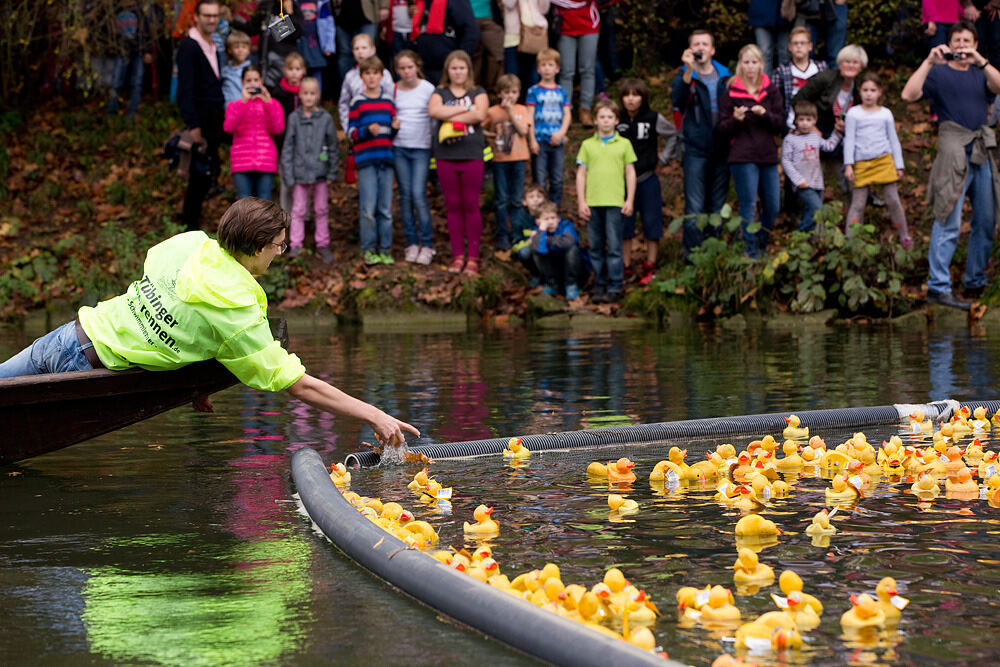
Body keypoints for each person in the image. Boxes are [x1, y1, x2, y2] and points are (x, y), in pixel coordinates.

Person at [0, 198, 419, 446]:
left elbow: (182, 319)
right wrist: (373, 414)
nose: (281, 251)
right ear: (255, 248)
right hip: (81, 377)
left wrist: (196, 382)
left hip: (68, 335)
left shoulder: (190, 244)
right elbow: (298, 383)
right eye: (278, 245)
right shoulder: (236, 307)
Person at [901, 19, 1000, 309]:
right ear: (948, 44)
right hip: (953, 150)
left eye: (966, 41)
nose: (961, 46)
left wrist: (981, 61)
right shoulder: (939, 73)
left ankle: (974, 281)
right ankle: (938, 286)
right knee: (948, 217)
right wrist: (928, 62)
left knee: (985, 220)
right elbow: (908, 95)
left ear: (975, 44)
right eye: (957, 41)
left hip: (981, 150)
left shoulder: (982, 72)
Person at [718, 44, 784, 258]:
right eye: (746, 62)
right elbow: (721, 128)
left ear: (761, 65)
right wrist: (736, 120)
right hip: (742, 156)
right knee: (748, 206)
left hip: (767, 155)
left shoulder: (771, 91)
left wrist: (765, 114)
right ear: (740, 65)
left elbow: (781, 124)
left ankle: (762, 244)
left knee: (773, 205)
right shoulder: (730, 92)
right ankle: (750, 253)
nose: (750, 67)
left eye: (754, 62)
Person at [670, 29, 731, 257]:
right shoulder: (686, 75)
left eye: (705, 44)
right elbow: (677, 100)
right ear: (690, 49)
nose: (701, 48)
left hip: (723, 148)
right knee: (694, 207)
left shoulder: (726, 76)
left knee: (717, 205)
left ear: (712, 50)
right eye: (696, 44)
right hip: (695, 148)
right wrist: (687, 71)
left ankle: (714, 256)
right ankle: (693, 258)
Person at [429, 50, 489, 276]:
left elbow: (480, 115)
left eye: (462, 68)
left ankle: (473, 257)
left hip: (472, 153)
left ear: (468, 70)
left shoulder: (478, 91)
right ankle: (457, 255)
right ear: (448, 70)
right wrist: (466, 109)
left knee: (471, 204)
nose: (458, 72)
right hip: (446, 155)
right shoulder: (440, 92)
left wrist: (449, 115)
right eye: (454, 68)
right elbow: (434, 110)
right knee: (453, 204)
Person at [575, 98, 636, 303]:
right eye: (602, 117)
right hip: (593, 202)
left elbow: (630, 172)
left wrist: (630, 199)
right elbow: (581, 174)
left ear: (617, 120)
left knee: (614, 246)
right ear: (595, 121)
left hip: (615, 202)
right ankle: (599, 285)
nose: (606, 121)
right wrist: (581, 201)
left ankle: (615, 285)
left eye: (610, 117)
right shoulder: (587, 145)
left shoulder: (624, 144)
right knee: (595, 245)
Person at [842, 72, 912, 247]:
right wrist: (848, 164)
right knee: (858, 203)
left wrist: (899, 164)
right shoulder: (853, 113)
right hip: (861, 163)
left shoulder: (885, 114)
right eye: (865, 90)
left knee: (893, 200)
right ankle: (851, 242)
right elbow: (849, 140)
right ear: (859, 91)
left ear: (879, 92)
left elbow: (893, 139)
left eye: (873, 90)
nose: (868, 94)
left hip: (883, 160)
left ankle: (904, 236)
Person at [616, 77, 673, 286]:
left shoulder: (653, 118)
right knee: (625, 225)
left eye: (636, 95)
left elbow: (673, 135)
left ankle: (651, 264)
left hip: (647, 177)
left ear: (643, 98)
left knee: (652, 222)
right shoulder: (616, 119)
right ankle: (626, 266)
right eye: (627, 95)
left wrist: (663, 158)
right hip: (621, 181)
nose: (631, 100)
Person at [176, 0, 225, 231]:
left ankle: (194, 221)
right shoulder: (189, 46)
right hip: (201, 118)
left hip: (214, 118)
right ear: (196, 16)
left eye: (215, 15)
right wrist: (193, 125)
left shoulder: (212, 44)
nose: (211, 20)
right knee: (199, 175)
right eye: (206, 15)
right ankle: (190, 225)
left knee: (208, 172)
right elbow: (184, 90)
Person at [281, 77, 338, 261]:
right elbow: (288, 147)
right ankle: (296, 244)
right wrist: (288, 174)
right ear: (300, 94)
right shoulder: (294, 118)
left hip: (320, 172)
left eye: (312, 93)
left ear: (318, 95)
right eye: (305, 93)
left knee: (321, 209)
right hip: (299, 173)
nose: (309, 97)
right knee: (298, 209)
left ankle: (323, 243)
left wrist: (331, 171)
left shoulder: (326, 118)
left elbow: (333, 146)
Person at [349, 55, 398, 265]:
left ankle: (385, 249)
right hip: (366, 160)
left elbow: (390, 133)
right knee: (368, 209)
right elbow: (351, 133)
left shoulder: (388, 101)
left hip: (386, 159)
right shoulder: (357, 102)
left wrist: (395, 129)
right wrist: (366, 131)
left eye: (375, 73)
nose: (371, 77)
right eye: (367, 73)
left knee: (385, 209)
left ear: (381, 76)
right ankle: (368, 249)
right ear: (362, 77)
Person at [392, 50, 437, 265]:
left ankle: (427, 244)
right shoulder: (393, 89)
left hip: (421, 148)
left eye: (410, 67)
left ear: (417, 66)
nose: (406, 71)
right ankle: (411, 243)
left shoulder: (428, 89)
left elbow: (435, 118)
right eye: (402, 68)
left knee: (419, 194)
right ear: (397, 70)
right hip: (400, 147)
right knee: (405, 196)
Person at [484, 73, 533, 252]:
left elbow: (523, 131)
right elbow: (481, 127)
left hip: (519, 158)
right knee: (501, 199)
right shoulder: (492, 111)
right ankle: (502, 234)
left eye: (513, 92)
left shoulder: (521, 110)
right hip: (500, 159)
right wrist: (490, 136)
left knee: (516, 199)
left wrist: (511, 112)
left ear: (518, 93)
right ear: (499, 94)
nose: (510, 96)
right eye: (506, 92)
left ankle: (517, 233)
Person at [224, 65, 286, 200]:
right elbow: (228, 127)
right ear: (242, 83)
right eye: (248, 80)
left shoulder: (272, 104)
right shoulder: (234, 105)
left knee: (264, 203)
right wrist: (243, 102)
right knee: (244, 204)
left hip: (265, 160)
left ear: (261, 81)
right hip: (241, 161)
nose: (252, 83)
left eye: (256, 80)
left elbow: (278, 128)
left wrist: (268, 103)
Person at [780, 100, 842, 232]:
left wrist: (838, 132)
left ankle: (809, 241)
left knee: (811, 213)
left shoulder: (815, 137)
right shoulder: (790, 139)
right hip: (802, 183)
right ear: (795, 120)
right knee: (818, 208)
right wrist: (797, 180)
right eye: (801, 119)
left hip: (817, 182)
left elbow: (829, 146)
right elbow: (786, 161)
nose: (804, 123)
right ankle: (799, 235)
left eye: (808, 119)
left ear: (814, 121)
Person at [526, 48, 572, 208]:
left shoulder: (561, 91)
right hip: (540, 141)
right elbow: (529, 116)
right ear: (538, 69)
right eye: (543, 65)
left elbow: (567, 114)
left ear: (557, 69)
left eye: (550, 65)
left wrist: (561, 133)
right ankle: (539, 215)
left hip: (556, 141)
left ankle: (554, 213)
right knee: (539, 180)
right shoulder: (533, 91)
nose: (547, 68)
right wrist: (532, 140)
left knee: (557, 180)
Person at [230, 0, 305, 88]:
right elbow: (252, 28)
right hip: (266, 62)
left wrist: (290, 13)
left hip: (286, 62)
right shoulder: (266, 5)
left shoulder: (292, 6)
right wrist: (231, 20)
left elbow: (297, 33)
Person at [269, 53, 309, 212]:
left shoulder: (308, 93)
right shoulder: (278, 93)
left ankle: (304, 216)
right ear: (285, 71)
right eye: (291, 69)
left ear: (303, 71)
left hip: (305, 146)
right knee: (286, 182)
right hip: (284, 144)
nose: (294, 72)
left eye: (297, 69)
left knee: (304, 181)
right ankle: (285, 216)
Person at [410, 0, 481, 84]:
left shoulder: (457, 2)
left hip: (447, 68)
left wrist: (460, 59)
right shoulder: (420, 2)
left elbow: (471, 32)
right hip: (422, 67)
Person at [553, 0, 600, 127]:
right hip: (565, 26)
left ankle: (585, 109)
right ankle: (566, 111)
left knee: (587, 70)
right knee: (566, 72)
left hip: (589, 25)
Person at [338, 33, 395, 133]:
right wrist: (348, 128)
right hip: (359, 127)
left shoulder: (384, 74)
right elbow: (344, 104)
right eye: (356, 48)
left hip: (382, 126)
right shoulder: (350, 76)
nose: (360, 52)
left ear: (373, 50)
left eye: (364, 48)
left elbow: (392, 99)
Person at [530, 201, 587, 300]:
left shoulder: (566, 226)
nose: (550, 222)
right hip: (552, 268)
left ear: (558, 219)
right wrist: (542, 231)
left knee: (572, 249)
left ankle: (571, 285)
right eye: (546, 219)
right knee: (536, 252)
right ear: (538, 221)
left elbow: (568, 242)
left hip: (572, 267)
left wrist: (548, 240)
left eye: (553, 218)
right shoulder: (538, 231)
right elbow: (538, 249)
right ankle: (551, 284)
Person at [773, 26, 828, 129]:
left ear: (810, 46)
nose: (799, 46)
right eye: (795, 43)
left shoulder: (821, 67)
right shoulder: (781, 71)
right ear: (790, 47)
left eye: (803, 43)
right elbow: (777, 103)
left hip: (817, 125)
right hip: (791, 125)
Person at [333, 0, 389, 79]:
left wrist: (384, 6)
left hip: (367, 15)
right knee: (345, 53)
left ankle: (376, 84)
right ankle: (348, 86)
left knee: (369, 51)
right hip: (342, 15)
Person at [469, 0, 504, 96]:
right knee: (473, 57)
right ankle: (472, 91)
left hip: (490, 19)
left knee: (498, 56)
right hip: (467, 18)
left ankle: (492, 92)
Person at [514, 183, 548, 282]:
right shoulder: (519, 219)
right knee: (524, 252)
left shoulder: (549, 215)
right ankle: (535, 274)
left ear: (544, 200)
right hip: (529, 248)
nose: (535, 200)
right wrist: (528, 242)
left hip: (547, 245)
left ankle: (551, 277)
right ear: (524, 202)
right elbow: (515, 243)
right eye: (531, 197)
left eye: (539, 196)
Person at [749, 0, 790, 76]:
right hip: (760, 12)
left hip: (784, 13)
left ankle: (785, 84)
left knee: (785, 54)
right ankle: (765, 85)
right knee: (764, 53)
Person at [221, 30, 253, 106]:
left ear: (248, 50)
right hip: (228, 111)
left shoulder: (251, 71)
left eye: (244, 47)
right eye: (236, 47)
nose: (240, 50)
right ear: (229, 50)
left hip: (245, 110)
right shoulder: (225, 70)